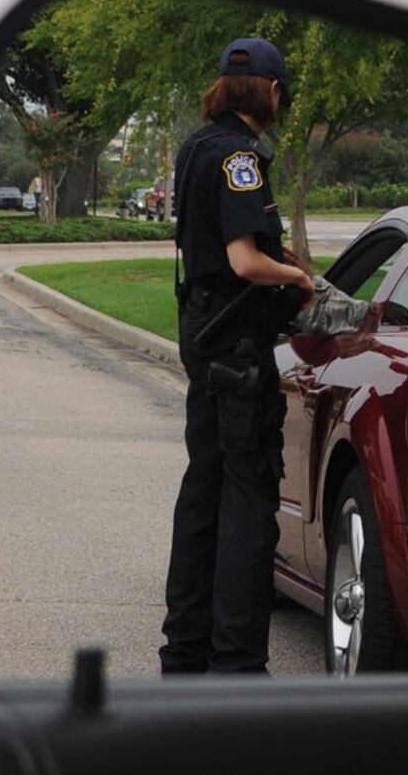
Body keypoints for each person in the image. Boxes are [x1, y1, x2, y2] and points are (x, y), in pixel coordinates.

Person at [159, 36, 315, 675]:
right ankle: (239, 666)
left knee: (203, 493)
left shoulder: (198, 146)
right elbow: (245, 260)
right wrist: (299, 280)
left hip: (204, 341)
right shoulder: (239, 159)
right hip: (238, 348)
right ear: (273, 92)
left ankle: (186, 654)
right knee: (249, 505)